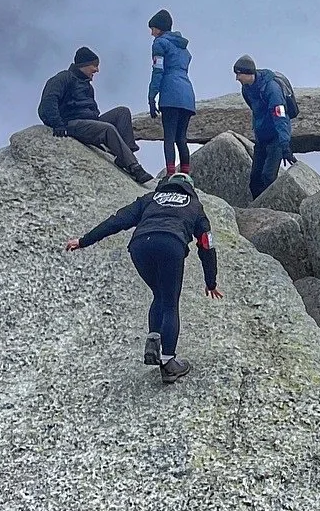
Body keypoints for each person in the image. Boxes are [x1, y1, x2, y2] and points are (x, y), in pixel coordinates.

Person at [65, 171, 221, 384]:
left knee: (159, 294)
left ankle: (153, 339)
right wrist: (210, 281)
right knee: (169, 302)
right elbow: (206, 244)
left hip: (140, 246)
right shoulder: (195, 207)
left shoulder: (150, 199)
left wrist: (83, 241)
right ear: (190, 189)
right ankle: (168, 363)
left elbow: (117, 220)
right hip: (170, 245)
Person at [38, 48, 150, 184]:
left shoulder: (87, 86)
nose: (97, 70)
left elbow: (93, 110)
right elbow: (48, 101)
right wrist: (57, 124)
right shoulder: (63, 78)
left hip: (90, 123)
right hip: (70, 123)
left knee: (122, 111)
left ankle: (125, 156)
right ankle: (135, 168)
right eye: (95, 65)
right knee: (107, 129)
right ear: (83, 65)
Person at [232, 55, 295, 199]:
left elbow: (280, 116)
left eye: (239, 74)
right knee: (255, 180)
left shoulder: (272, 89)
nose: (237, 78)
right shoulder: (246, 89)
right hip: (261, 138)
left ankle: (272, 211)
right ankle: (258, 209)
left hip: (276, 139)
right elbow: (255, 111)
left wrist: (285, 145)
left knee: (268, 177)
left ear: (248, 73)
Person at [147, 10, 197, 177]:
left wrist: (152, 96)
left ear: (159, 28)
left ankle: (170, 175)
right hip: (188, 95)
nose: (151, 32)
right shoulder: (183, 49)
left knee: (169, 136)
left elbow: (158, 70)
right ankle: (185, 175)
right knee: (181, 138)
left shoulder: (159, 44)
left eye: (152, 28)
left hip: (170, 94)